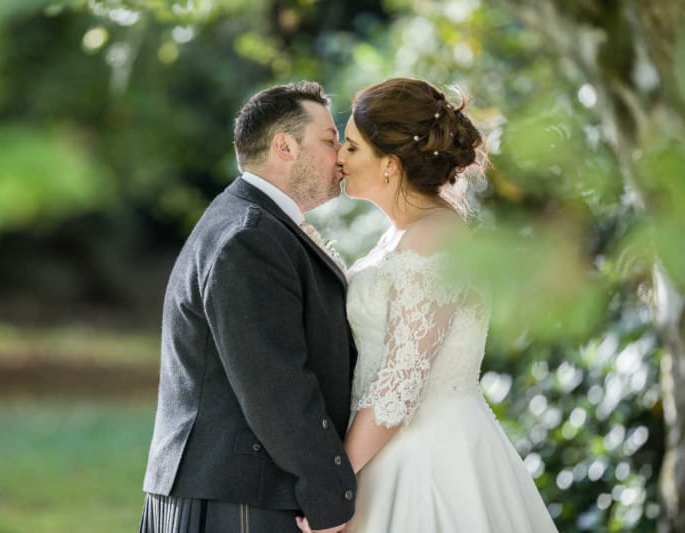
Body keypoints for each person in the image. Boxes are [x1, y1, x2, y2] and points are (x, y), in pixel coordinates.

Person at [297, 77, 558, 532]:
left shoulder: (436, 237)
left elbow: (401, 382)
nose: (339, 157)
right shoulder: (402, 233)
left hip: (430, 460)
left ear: (390, 165)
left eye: (352, 147)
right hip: (381, 448)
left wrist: (333, 486)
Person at [140, 81, 358, 533]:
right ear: (284, 146)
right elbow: (277, 384)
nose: (340, 156)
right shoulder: (250, 236)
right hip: (237, 497)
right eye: (329, 140)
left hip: (236, 490)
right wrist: (329, 495)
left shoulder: (253, 222)